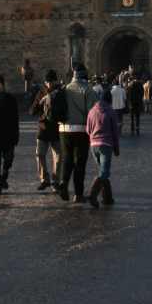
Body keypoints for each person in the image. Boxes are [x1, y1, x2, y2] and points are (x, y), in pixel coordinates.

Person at [56, 63, 98, 202]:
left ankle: (63, 182)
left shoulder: (66, 88)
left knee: (67, 158)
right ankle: (78, 194)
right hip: (80, 129)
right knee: (80, 162)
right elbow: (92, 112)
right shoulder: (88, 90)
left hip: (64, 129)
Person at [86, 86, 121, 209]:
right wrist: (116, 148)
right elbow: (115, 132)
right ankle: (92, 194)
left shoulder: (91, 111)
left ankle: (107, 198)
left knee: (102, 171)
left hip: (93, 145)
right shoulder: (111, 111)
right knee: (104, 172)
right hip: (106, 145)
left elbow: (88, 130)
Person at [30, 70, 62, 191]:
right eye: (47, 82)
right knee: (40, 154)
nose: (49, 84)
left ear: (55, 81)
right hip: (43, 129)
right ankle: (45, 179)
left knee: (58, 156)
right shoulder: (41, 93)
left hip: (56, 129)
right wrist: (40, 101)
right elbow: (32, 111)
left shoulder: (60, 93)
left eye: (51, 82)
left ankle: (55, 180)